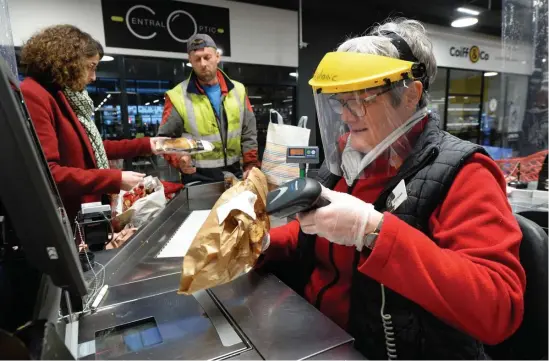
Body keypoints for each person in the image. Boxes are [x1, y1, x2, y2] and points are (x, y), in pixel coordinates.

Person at [260, 18, 525, 359]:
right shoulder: (347, 156)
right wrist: (262, 242)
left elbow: (497, 308)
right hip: (316, 338)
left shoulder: (465, 173)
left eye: (363, 98)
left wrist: (374, 232)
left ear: (410, 96)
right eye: (343, 100)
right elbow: (317, 234)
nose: (346, 114)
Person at [19, 25, 168, 224]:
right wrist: (113, 179)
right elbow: (49, 173)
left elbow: (89, 147)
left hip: (82, 213)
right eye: (90, 66)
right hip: (65, 218)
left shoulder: (61, 95)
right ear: (68, 61)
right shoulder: (35, 95)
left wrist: (147, 144)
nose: (93, 77)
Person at [158, 34, 258, 184]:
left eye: (207, 57)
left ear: (217, 57)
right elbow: (163, 141)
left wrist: (250, 164)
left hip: (235, 174)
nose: (203, 63)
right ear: (190, 61)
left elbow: (248, 131)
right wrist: (179, 159)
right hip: (197, 178)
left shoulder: (238, 90)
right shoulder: (177, 96)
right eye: (197, 59)